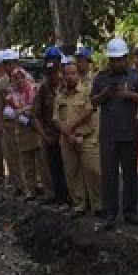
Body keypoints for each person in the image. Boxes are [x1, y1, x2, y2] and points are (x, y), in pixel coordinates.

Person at [90, 37, 138, 229]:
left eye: (119, 59)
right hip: (109, 135)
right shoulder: (101, 78)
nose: (116, 63)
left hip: (129, 133)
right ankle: (110, 212)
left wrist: (130, 95)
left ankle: (130, 211)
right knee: (109, 175)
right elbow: (93, 102)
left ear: (126, 58)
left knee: (130, 175)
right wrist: (105, 93)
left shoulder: (136, 77)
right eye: (113, 60)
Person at [55, 60, 103, 217]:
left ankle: (98, 205)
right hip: (67, 140)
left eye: (73, 73)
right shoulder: (60, 95)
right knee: (72, 173)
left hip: (87, 137)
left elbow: (89, 111)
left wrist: (72, 129)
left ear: (78, 75)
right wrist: (68, 134)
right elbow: (56, 119)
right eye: (67, 74)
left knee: (93, 171)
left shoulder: (87, 91)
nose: (70, 77)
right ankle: (79, 206)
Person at [33, 46, 70, 206]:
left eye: (55, 69)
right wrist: (44, 136)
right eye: (50, 71)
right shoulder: (43, 90)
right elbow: (35, 116)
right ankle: (58, 198)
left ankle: (74, 200)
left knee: (70, 170)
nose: (53, 74)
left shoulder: (69, 86)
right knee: (53, 170)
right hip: (50, 137)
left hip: (68, 135)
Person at [2, 53, 41, 200]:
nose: (18, 81)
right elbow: (9, 111)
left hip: (34, 129)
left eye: (21, 78)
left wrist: (22, 110)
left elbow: (35, 107)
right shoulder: (12, 94)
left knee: (39, 161)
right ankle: (30, 190)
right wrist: (16, 112)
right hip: (21, 130)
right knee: (25, 163)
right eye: (15, 79)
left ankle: (41, 187)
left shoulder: (32, 90)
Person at [0, 49, 21, 192]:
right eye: (7, 64)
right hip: (8, 125)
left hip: (24, 124)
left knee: (25, 156)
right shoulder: (1, 84)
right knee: (10, 155)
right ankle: (17, 184)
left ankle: (27, 185)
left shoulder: (24, 79)